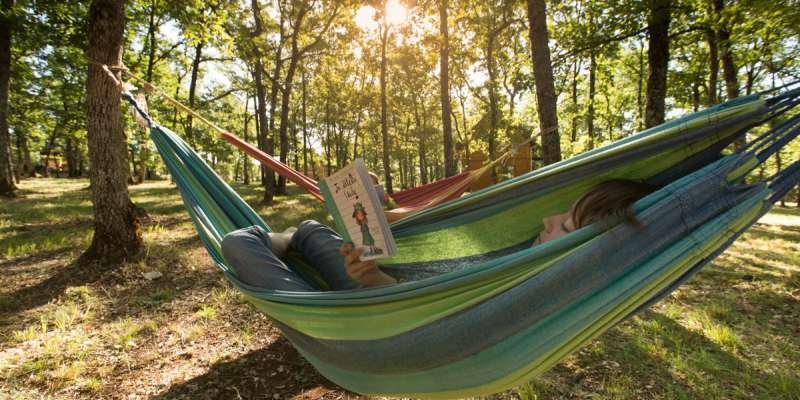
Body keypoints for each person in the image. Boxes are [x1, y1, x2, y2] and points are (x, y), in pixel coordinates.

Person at [221, 179, 654, 291]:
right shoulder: (527, 255)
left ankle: (284, 240)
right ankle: (293, 238)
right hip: (374, 282)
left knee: (237, 242)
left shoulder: (526, 289)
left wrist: (373, 281)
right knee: (313, 229)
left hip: (362, 310)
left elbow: (416, 317)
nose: (545, 221)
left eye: (565, 226)